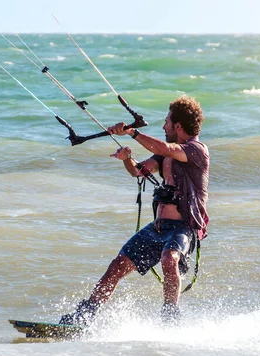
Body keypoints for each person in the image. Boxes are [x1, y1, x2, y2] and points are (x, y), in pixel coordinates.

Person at [59, 96, 209, 326]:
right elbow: (139, 171)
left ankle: (170, 319)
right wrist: (127, 160)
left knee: (170, 259)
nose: (163, 126)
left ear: (178, 126)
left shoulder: (196, 150)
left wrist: (132, 132)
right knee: (117, 266)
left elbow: (165, 147)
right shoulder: (164, 155)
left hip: (182, 228)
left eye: (167, 122)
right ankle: (84, 316)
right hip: (158, 228)